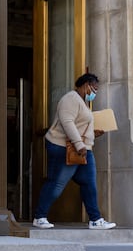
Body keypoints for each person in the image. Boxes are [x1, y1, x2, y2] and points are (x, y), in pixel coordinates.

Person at [32, 73, 116, 230]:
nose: (95, 93)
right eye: (94, 89)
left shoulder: (82, 102)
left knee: (89, 183)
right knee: (56, 184)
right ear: (86, 85)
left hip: (82, 149)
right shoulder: (70, 99)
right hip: (64, 148)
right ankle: (39, 217)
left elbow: (78, 125)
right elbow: (67, 122)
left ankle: (95, 219)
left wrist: (92, 134)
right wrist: (79, 144)